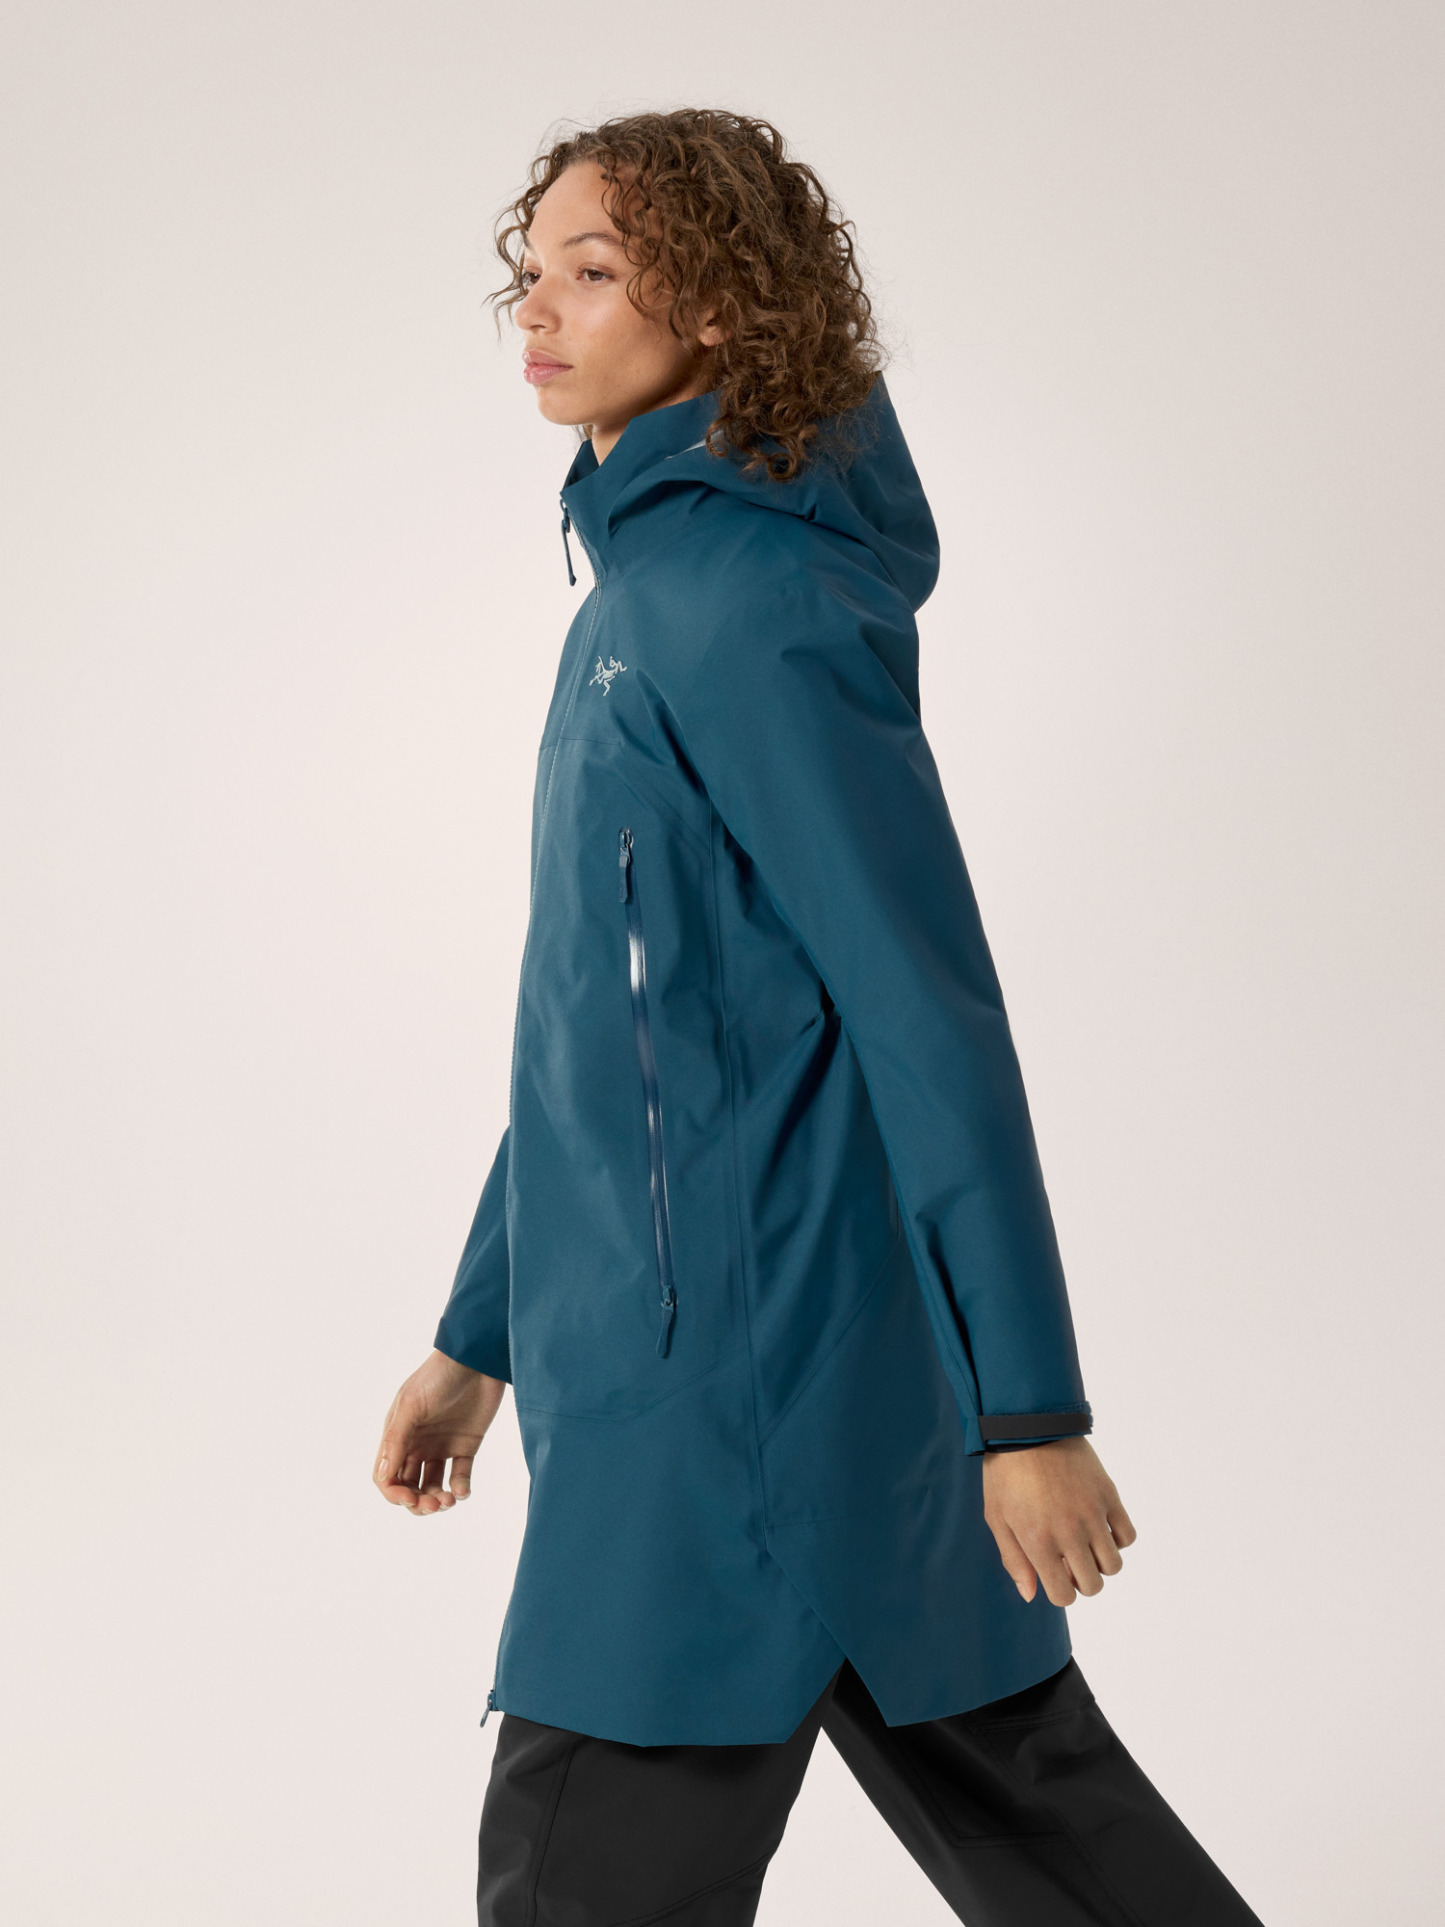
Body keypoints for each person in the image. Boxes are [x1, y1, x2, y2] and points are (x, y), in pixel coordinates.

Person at [373, 109, 1266, 1925]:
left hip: (728, 1413)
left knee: (578, 1875)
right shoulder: (637, 604)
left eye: (592, 272)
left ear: (717, 306)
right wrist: (482, 1332)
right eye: (529, 273)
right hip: (731, 1373)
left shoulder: (747, 607)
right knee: (1050, 1831)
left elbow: (926, 1013)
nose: (535, 312)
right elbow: (609, 1034)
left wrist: (1029, 1411)